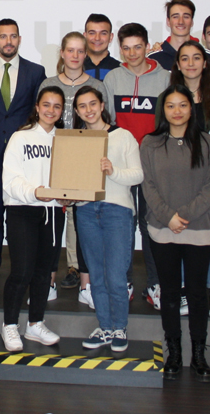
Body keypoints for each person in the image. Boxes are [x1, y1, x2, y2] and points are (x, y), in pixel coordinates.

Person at [140, 84, 210, 382]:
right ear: (163, 110)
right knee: (170, 293)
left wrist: (182, 216)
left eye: (183, 105)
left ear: (191, 108)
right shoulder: (150, 143)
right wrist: (168, 217)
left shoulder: (207, 142)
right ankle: (174, 352)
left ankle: (199, 353)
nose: (177, 111)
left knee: (198, 294)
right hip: (163, 230)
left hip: (197, 229)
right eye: (170, 105)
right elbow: (148, 186)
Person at [103, 23, 170, 310]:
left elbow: (170, 120)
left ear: (147, 46)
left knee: (151, 223)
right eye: (126, 48)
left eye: (138, 47)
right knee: (124, 224)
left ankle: (155, 284)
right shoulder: (113, 78)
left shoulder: (165, 78)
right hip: (122, 165)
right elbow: (108, 121)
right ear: (120, 49)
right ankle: (125, 281)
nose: (132, 53)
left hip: (154, 163)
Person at [72, 85, 143, 352]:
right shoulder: (75, 139)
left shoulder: (123, 136)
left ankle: (120, 327)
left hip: (117, 211)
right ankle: (105, 327)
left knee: (115, 275)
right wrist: (68, 195)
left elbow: (138, 175)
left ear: (102, 106)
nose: (88, 110)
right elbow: (70, 177)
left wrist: (113, 171)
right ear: (77, 111)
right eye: (82, 106)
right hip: (86, 211)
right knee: (96, 275)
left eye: (93, 104)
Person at [0, 86, 70, 352]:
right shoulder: (20, 137)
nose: (51, 110)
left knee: (44, 272)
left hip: (52, 212)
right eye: (46, 105)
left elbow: (72, 177)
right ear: (37, 107)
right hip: (22, 210)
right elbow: (10, 180)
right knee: (22, 271)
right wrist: (35, 192)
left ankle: (35, 323)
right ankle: (9, 324)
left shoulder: (65, 140)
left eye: (57, 106)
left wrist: (69, 196)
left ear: (62, 111)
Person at [40, 31, 110, 295]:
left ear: (86, 54)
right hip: (53, 156)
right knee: (56, 213)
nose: (75, 55)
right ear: (62, 53)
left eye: (81, 51)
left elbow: (106, 122)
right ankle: (48, 275)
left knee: (79, 215)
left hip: (85, 158)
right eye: (70, 50)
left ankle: (76, 268)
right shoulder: (48, 83)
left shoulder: (96, 85)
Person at [0, 18, 45, 283]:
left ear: (19, 39)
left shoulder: (36, 71)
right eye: (3, 36)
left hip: (23, 154)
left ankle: (22, 265)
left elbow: (38, 111)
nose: (8, 41)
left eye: (13, 36)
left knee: (20, 213)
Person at [168, 40, 210, 317]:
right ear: (178, 65)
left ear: (205, 63)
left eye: (196, 58)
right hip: (179, 175)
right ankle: (183, 290)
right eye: (185, 58)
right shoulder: (171, 95)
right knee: (182, 229)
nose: (191, 64)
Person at [150, 0, 210, 80]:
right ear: (168, 22)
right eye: (175, 17)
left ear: (192, 22)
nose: (181, 22)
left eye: (186, 17)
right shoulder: (154, 58)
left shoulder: (209, 57)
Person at [82, 13, 120, 80]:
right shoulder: (75, 68)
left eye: (103, 33)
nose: (97, 38)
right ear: (85, 36)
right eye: (92, 33)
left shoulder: (120, 69)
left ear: (111, 37)